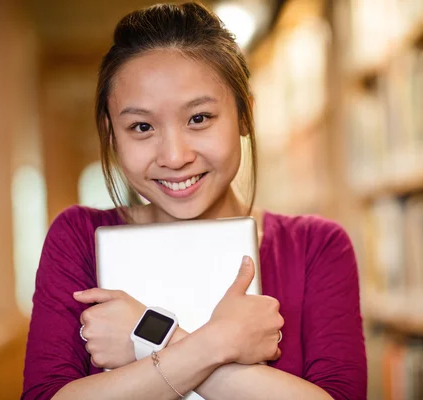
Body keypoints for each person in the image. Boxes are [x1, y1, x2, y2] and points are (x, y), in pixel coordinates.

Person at [21, 2, 367, 399]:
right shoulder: (79, 238)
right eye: (142, 126)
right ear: (111, 133)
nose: (174, 156)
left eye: (199, 118)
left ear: (243, 116)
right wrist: (218, 344)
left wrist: (150, 335)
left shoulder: (316, 247)